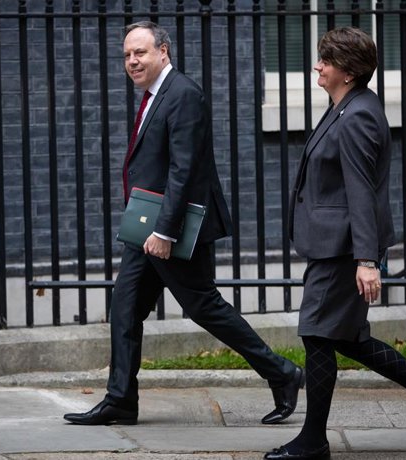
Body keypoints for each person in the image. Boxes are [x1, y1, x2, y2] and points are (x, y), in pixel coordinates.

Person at [63, 21, 304, 427]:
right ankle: (120, 399)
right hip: (147, 228)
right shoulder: (155, 95)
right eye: (127, 55)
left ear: (163, 51)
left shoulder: (183, 94)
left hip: (170, 231)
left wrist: (164, 231)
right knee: (124, 309)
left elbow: (184, 169)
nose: (132, 61)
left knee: (204, 307)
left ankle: (282, 372)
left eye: (139, 52)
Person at [264, 27, 406, 460]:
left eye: (326, 60)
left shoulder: (357, 115)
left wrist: (366, 260)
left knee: (317, 335)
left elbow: (362, 190)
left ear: (350, 71)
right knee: (348, 338)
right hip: (333, 244)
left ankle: (313, 440)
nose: (317, 65)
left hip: (342, 250)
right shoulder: (345, 105)